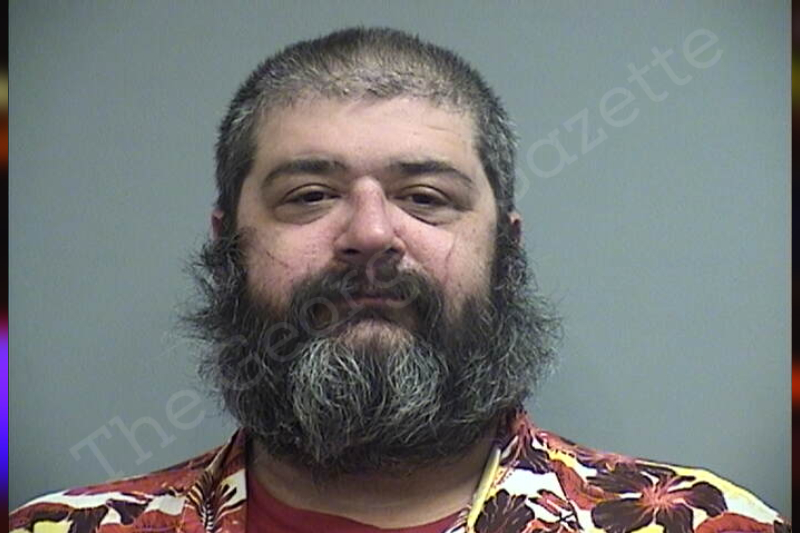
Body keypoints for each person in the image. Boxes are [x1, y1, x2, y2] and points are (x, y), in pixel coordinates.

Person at [10, 27, 790, 533]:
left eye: (425, 197)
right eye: (309, 195)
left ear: (505, 250)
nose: (372, 234)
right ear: (229, 246)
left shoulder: (708, 524)